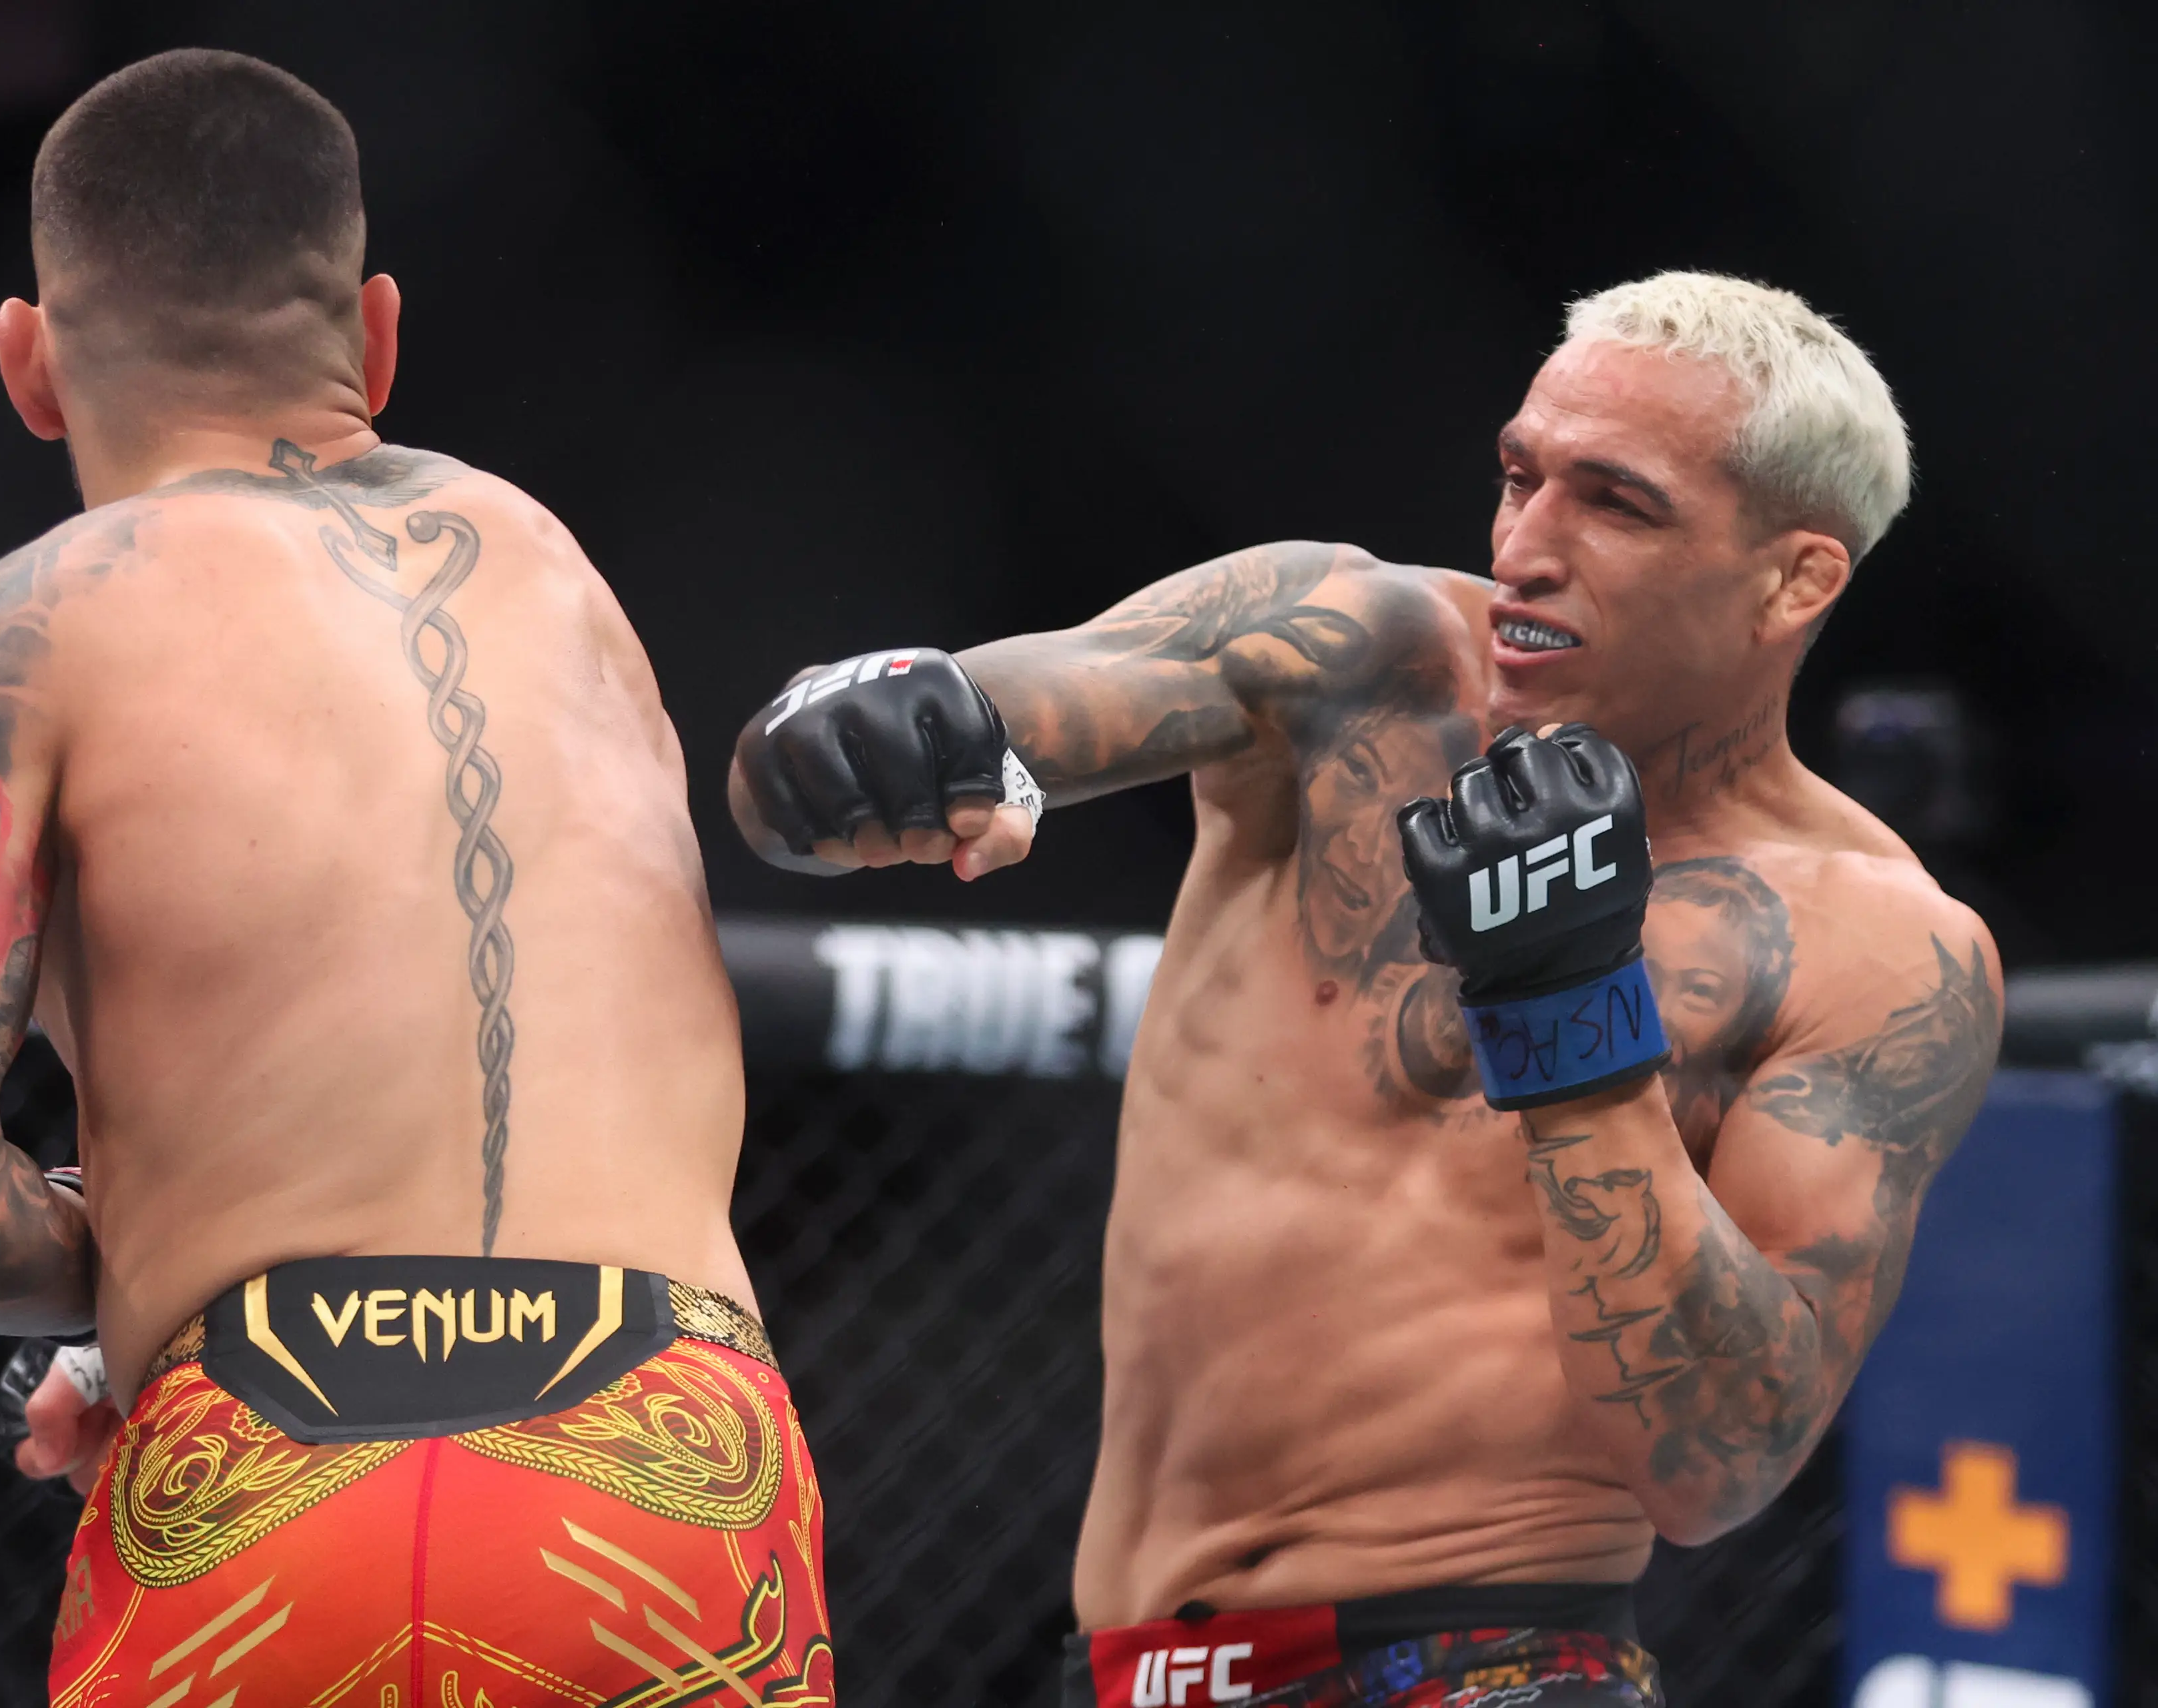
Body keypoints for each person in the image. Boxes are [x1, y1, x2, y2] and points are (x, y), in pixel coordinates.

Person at [728, 272, 1999, 1707]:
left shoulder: (1877, 945)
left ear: (1797, 577)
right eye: (1520, 476)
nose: (1528, 544)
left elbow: (1721, 1459)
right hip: (1124, 1669)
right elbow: (922, 737)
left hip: (1492, 1664)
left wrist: (1568, 1016)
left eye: (1615, 502)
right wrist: (890, 728)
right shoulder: (1350, 652)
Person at [0, 50, 833, 1707]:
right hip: (665, 1457)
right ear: (379, 337)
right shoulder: (563, 573)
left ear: (30, 366)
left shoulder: (15, 632)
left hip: (273, 1471)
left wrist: (175, 1266)